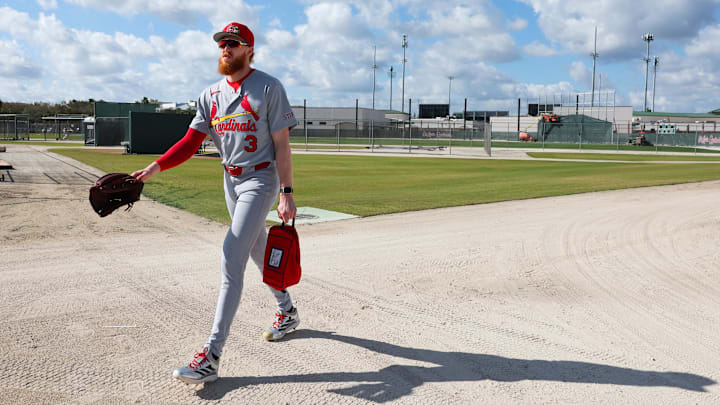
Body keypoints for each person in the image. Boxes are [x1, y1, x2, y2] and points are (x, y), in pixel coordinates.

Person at [131, 22, 299, 385]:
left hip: (261, 178)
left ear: (248, 50)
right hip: (230, 180)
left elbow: (282, 145)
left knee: (230, 257)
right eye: (222, 43)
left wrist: (286, 192)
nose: (225, 48)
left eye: (233, 43)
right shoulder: (210, 94)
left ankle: (212, 355)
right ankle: (287, 310)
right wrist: (154, 167)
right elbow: (191, 141)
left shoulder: (269, 87)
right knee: (255, 251)